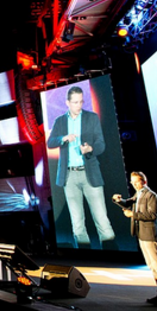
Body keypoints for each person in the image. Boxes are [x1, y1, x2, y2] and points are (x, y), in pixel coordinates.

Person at [47, 86, 116, 248]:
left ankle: (111, 253)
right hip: (69, 176)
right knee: (77, 223)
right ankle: (85, 255)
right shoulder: (60, 121)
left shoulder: (91, 118)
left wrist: (90, 149)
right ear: (67, 103)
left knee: (101, 219)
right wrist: (64, 138)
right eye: (75, 102)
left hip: (89, 173)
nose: (79, 105)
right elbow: (50, 143)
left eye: (81, 101)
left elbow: (101, 144)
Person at [113, 171, 157, 307]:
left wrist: (132, 215)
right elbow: (129, 203)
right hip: (142, 234)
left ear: (144, 181)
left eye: (137, 182)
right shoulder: (139, 193)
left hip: (151, 234)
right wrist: (119, 201)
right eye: (132, 182)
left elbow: (152, 215)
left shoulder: (151, 195)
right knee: (152, 266)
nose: (134, 184)